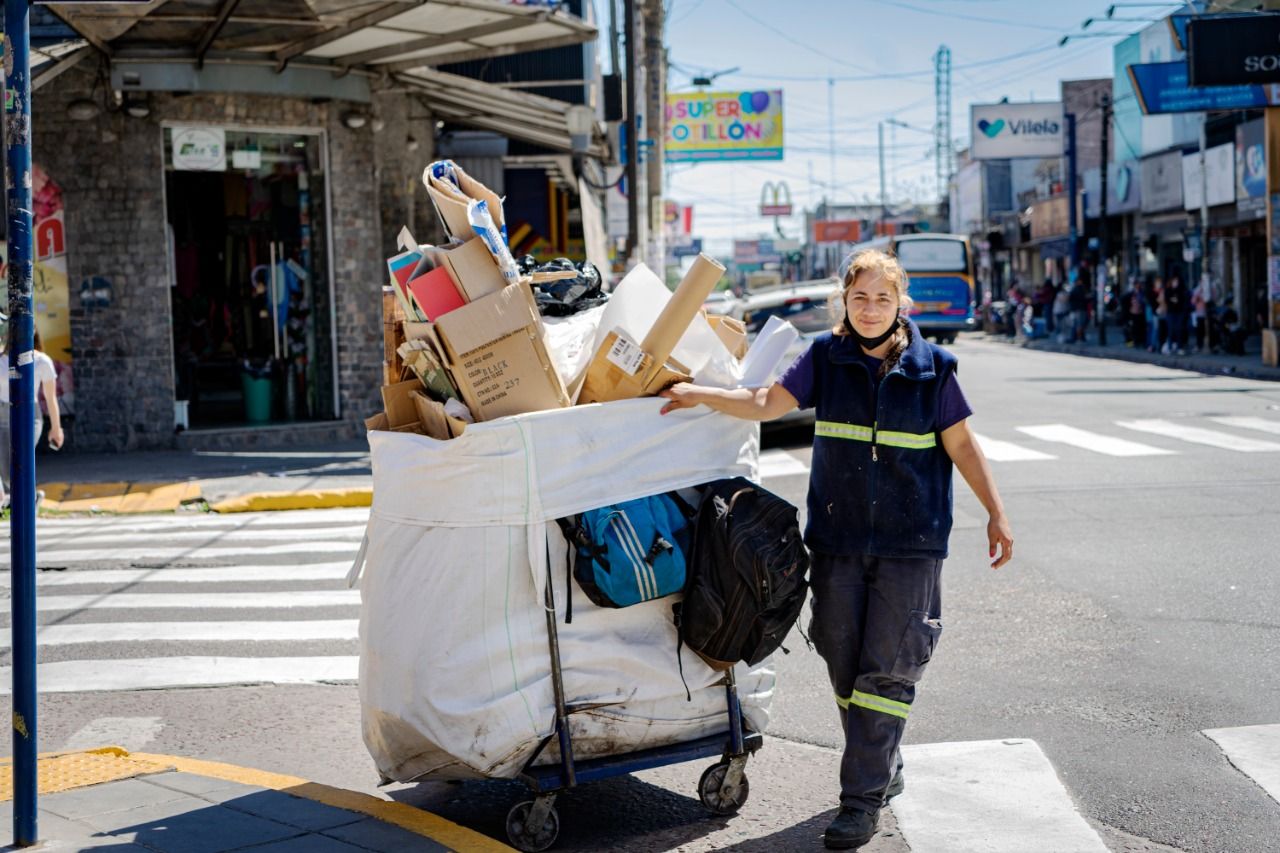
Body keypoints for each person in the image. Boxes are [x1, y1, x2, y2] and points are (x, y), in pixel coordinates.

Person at [659, 249, 1014, 851]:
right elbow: (767, 403)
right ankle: (885, 760)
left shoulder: (935, 369)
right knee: (841, 657)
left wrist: (996, 512)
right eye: (859, 298)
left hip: (911, 545)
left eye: (883, 298)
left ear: (901, 304)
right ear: (843, 304)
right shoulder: (827, 357)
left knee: (888, 669)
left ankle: (861, 801)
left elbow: (962, 446)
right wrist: (700, 395)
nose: (871, 309)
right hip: (839, 541)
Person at [0, 325, 64, 508]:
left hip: (31, 415)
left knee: (21, 455)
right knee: (5, 470)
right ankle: (27, 497)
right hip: (3, 413)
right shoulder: (3, 360)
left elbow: (51, 398)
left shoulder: (42, 361)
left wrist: (56, 428)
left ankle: (25, 501)